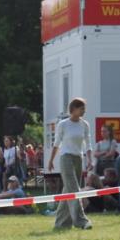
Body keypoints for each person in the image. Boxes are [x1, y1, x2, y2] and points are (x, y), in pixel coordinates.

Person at [47, 98, 93, 230]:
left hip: (78, 158)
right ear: (73, 109)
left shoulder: (85, 125)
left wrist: (89, 159)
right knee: (74, 188)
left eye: (84, 108)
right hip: (65, 157)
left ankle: (61, 223)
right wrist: (50, 161)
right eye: (81, 108)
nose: (84, 111)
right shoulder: (63, 124)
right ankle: (81, 221)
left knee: (68, 190)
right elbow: (56, 144)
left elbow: (88, 144)